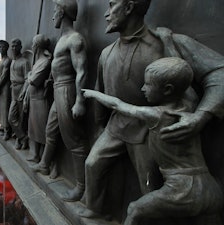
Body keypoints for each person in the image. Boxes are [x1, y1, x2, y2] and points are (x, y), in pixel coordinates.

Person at [82, 0, 224, 218]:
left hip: (151, 129)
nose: (106, 14)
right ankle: (95, 209)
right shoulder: (106, 53)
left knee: (148, 186)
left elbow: (219, 73)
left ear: (129, 8)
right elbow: (100, 92)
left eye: (112, 5)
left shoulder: (169, 43)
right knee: (92, 164)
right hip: (117, 125)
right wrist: (99, 125)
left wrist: (201, 117)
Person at [31, 0, 90, 201]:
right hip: (57, 89)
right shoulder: (62, 40)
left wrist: (80, 100)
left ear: (63, 12)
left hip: (67, 91)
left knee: (74, 140)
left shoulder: (75, 39)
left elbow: (81, 71)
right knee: (50, 131)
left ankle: (81, 187)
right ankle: (45, 163)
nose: (53, 16)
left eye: (55, 11)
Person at [25, 34, 52, 163]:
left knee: (41, 130)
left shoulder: (45, 62)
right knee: (33, 128)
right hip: (33, 98)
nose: (32, 46)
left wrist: (30, 75)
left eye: (33, 44)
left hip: (40, 100)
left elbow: (33, 80)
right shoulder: (38, 62)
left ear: (37, 46)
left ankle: (44, 158)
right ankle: (35, 154)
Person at [8, 38, 31, 150]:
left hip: (21, 89)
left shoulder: (25, 62)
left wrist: (23, 91)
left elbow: (28, 79)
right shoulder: (13, 61)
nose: (13, 48)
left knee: (21, 118)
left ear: (20, 47)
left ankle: (19, 139)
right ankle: (22, 137)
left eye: (15, 46)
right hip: (14, 90)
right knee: (11, 117)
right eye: (12, 46)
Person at [0, 40, 13, 141]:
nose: (1, 49)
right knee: (1, 108)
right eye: (0, 47)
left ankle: (8, 131)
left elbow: (4, 76)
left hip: (5, 88)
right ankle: (3, 125)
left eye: (2, 47)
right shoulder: (2, 60)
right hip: (1, 88)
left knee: (5, 108)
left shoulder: (8, 60)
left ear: (6, 49)